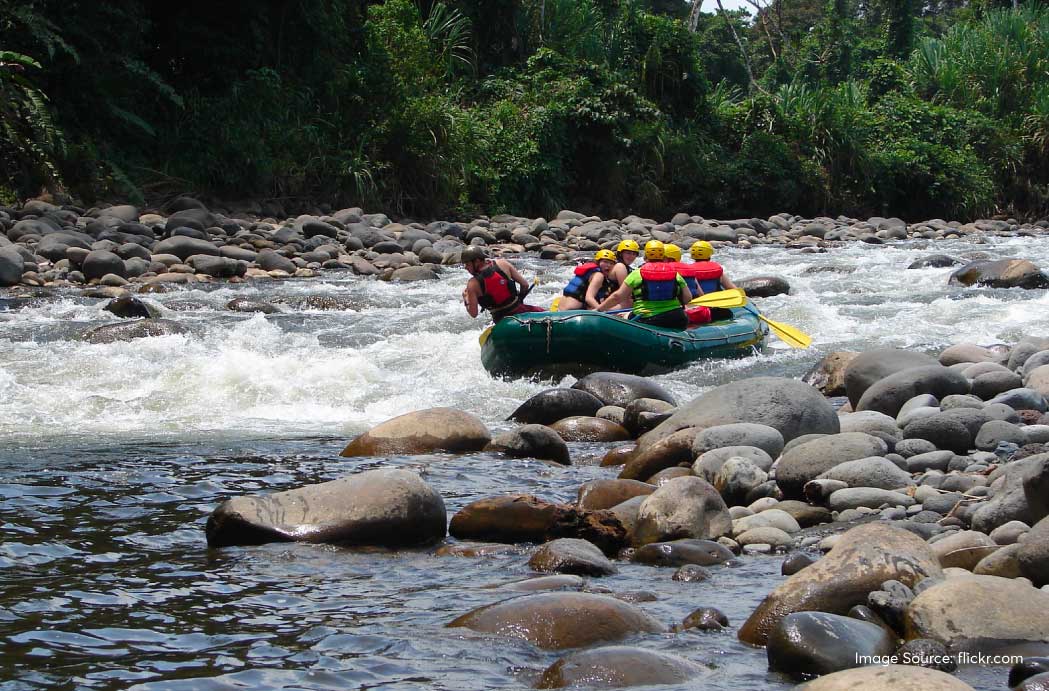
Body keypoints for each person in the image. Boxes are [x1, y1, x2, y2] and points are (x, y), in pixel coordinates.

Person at [597, 240, 693, 329]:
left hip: (647, 319)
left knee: (624, 316)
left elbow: (618, 297)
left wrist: (599, 309)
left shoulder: (637, 274)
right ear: (663, 257)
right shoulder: (675, 274)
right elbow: (688, 298)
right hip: (677, 317)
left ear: (645, 257)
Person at [461, 247, 543, 323]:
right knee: (544, 312)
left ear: (477, 261)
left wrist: (466, 298)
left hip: (501, 320)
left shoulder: (473, 284)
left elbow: (473, 314)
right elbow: (525, 285)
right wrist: (520, 300)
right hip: (521, 310)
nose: (465, 267)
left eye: (467, 264)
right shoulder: (503, 263)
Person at [688, 240, 738, 322]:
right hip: (716, 310)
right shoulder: (716, 270)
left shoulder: (688, 271)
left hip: (697, 311)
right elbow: (732, 289)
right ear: (709, 254)